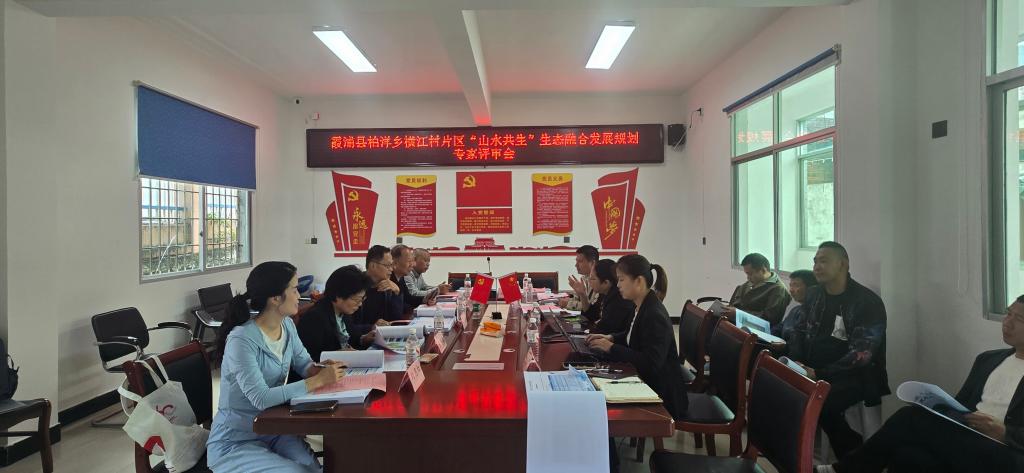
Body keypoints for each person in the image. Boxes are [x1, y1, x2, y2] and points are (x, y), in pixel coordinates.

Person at [816, 297, 1024, 473]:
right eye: (1008, 314)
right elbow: (961, 404)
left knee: (910, 417)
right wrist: (939, 407)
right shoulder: (988, 360)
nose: (1007, 323)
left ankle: (843, 470)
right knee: (907, 455)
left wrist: (1005, 433)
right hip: (968, 437)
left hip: (1006, 452)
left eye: (1019, 319)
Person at [207, 261, 346, 473]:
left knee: (312, 468)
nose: (299, 295)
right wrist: (317, 380)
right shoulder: (241, 340)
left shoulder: (287, 325)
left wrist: (318, 369)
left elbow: (304, 363)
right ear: (275, 298)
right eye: (294, 289)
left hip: (273, 428)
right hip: (237, 439)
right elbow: (261, 398)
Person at [787, 241, 890, 460]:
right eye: (815, 261)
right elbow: (799, 330)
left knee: (819, 402)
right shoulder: (814, 294)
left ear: (843, 264)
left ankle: (854, 458)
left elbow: (862, 355)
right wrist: (796, 362)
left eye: (823, 261)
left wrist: (820, 373)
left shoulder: (866, 302)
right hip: (812, 367)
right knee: (775, 383)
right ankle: (790, 454)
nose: (816, 267)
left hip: (856, 375)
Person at [586, 255, 688, 419]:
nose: (618, 285)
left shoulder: (654, 315)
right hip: (646, 380)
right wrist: (611, 337)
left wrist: (611, 348)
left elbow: (651, 363)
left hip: (662, 393)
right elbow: (631, 335)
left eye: (621, 280)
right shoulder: (642, 305)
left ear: (639, 281)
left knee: (596, 398)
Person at [297, 265, 376, 363]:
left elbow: (350, 339)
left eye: (362, 299)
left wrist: (363, 339)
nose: (360, 304)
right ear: (338, 295)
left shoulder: (343, 312)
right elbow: (309, 359)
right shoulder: (315, 318)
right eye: (357, 299)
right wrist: (337, 355)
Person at [723, 252, 791, 327]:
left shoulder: (778, 289)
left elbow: (770, 319)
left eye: (750, 274)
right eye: (747, 274)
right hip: (737, 322)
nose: (748, 278)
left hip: (756, 329)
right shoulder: (751, 282)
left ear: (763, 270)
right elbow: (736, 303)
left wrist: (739, 314)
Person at [351, 245, 403, 326]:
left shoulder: (387, 285)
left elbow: (396, 319)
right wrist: (372, 327)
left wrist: (397, 293)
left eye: (391, 265)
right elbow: (350, 327)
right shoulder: (356, 286)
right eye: (388, 265)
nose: (391, 269)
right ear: (373, 265)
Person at [582, 258, 636, 335]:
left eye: (593, 279)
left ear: (606, 282)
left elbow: (605, 329)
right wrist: (582, 294)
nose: (589, 281)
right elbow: (592, 315)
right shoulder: (604, 294)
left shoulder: (619, 300)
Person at [390, 244, 435, 314]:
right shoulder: (387, 279)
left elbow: (408, 298)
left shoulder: (401, 277)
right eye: (409, 261)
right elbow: (395, 311)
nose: (413, 265)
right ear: (395, 263)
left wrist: (424, 300)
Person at [775, 269, 818, 340]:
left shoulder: (815, 316)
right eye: (790, 285)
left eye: (796, 285)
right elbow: (780, 327)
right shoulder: (795, 310)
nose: (791, 290)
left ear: (811, 288)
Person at [560, 245, 600, 311]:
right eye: (576, 261)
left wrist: (568, 304)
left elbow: (592, 308)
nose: (576, 265)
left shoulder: (600, 281)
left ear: (592, 263)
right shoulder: (584, 278)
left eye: (580, 261)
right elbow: (577, 299)